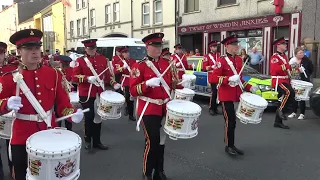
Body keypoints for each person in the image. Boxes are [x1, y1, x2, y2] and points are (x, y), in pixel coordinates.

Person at [0, 29, 84, 180]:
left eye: (37, 48)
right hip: (21, 136)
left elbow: (62, 104)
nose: (35, 52)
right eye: (29, 48)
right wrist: (5, 103)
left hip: (48, 133)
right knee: (22, 175)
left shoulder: (54, 74)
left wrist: (72, 114)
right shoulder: (8, 78)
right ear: (18, 51)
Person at [130, 33, 189, 180]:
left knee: (162, 141)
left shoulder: (166, 63)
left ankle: (159, 171)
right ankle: (147, 173)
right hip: (148, 108)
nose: (158, 48)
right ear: (147, 46)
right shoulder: (139, 65)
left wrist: (183, 84)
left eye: (159, 45)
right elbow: (132, 90)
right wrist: (146, 84)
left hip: (165, 107)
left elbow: (171, 85)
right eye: (154, 45)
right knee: (152, 141)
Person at [210, 34, 258, 156]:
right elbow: (213, 78)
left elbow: (239, 78)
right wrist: (228, 79)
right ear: (227, 46)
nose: (237, 46)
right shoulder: (221, 60)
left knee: (233, 121)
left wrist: (249, 86)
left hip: (236, 94)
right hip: (225, 95)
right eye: (234, 44)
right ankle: (229, 145)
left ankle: (232, 144)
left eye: (237, 44)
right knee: (230, 121)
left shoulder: (238, 59)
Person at [72, 39, 121, 150]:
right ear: (85, 49)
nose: (92, 50)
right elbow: (74, 77)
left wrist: (114, 84)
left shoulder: (103, 59)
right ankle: (88, 140)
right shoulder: (80, 61)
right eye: (89, 48)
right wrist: (87, 78)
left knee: (99, 117)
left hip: (99, 91)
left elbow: (108, 75)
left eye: (94, 48)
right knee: (89, 117)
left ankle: (97, 141)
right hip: (86, 93)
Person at [270, 37, 295, 129]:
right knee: (289, 92)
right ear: (278, 45)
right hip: (278, 80)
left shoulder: (284, 56)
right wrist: (288, 65)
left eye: (286, 44)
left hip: (285, 80)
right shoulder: (274, 57)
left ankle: (277, 122)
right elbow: (275, 70)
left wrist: (294, 68)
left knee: (284, 99)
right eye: (284, 44)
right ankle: (280, 110)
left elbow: (286, 69)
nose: (286, 45)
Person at [0, 41, 16, 179]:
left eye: (0, 53)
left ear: (4, 54)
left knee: (11, 144)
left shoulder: (12, 70)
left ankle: (13, 171)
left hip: (9, 113)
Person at [287, 46, 314, 120]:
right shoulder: (292, 60)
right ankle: (294, 112)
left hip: (303, 80)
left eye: (302, 52)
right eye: (300, 53)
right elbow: (290, 70)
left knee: (302, 96)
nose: (302, 54)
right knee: (294, 96)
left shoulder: (306, 60)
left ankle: (302, 114)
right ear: (296, 54)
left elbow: (311, 68)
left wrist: (306, 74)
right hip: (295, 80)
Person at [112, 46, 136, 121]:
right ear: (122, 54)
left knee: (131, 98)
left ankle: (131, 114)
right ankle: (127, 108)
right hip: (125, 80)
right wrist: (123, 68)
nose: (127, 54)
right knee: (127, 96)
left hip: (132, 80)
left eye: (127, 52)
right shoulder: (120, 62)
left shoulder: (133, 61)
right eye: (125, 52)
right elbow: (115, 71)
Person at [55, 55, 74, 130]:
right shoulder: (57, 72)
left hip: (66, 97)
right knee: (62, 115)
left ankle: (66, 131)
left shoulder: (69, 70)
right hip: (61, 97)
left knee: (65, 116)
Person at [202, 40, 220, 116]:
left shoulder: (219, 55)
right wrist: (212, 66)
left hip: (219, 76)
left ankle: (216, 108)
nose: (215, 48)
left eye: (216, 46)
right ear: (210, 47)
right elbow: (204, 68)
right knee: (214, 93)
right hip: (212, 76)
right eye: (213, 46)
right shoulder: (206, 56)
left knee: (219, 93)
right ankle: (212, 108)